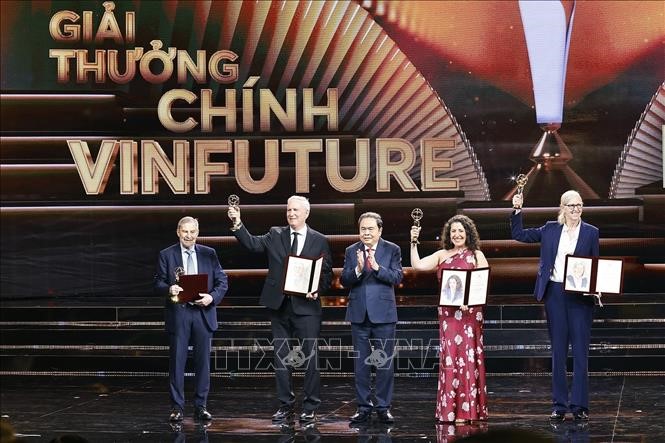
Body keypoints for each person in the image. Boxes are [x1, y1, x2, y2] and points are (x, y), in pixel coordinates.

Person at [227, 195, 333, 425]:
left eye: (296, 210)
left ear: (306, 213)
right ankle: (285, 405)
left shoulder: (319, 240)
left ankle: (310, 407)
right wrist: (237, 223)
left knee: (310, 359)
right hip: (279, 306)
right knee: (282, 359)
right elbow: (252, 244)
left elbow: (326, 274)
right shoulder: (275, 234)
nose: (291, 213)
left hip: (307, 308)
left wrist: (317, 290)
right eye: (288, 210)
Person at [511, 190, 599, 423]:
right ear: (562, 208)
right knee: (558, 352)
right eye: (571, 206)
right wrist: (517, 209)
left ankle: (579, 406)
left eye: (579, 205)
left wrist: (597, 286)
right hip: (555, 294)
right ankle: (559, 406)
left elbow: (595, 265)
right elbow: (519, 234)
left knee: (580, 353)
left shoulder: (591, 232)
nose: (575, 209)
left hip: (580, 297)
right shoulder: (550, 229)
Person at [410, 214, 489, 424]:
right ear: (448, 234)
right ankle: (451, 411)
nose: (457, 234)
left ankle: (468, 411)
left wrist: (470, 301)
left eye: (461, 230)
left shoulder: (476, 255)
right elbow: (418, 265)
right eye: (453, 231)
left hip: (469, 315)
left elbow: (482, 283)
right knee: (450, 358)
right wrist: (413, 242)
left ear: (468, 233)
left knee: (468, 359)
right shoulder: (442, 254)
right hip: (449, 316)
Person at [154, 216, 229, 422]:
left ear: (198, 232)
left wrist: (211, 297)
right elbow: (158, 282)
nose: (189, 236)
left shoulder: (209, 253)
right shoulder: (166, 254)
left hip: (203, 314)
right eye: (185, 231)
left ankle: (201, 406)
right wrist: (169, 288)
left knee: (203, 364)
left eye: (192, 231)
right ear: (178, 232)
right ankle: (177, 408)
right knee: (177, 363)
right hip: (179, 314)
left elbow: (222, 281)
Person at [341, 212, 403, 425]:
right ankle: (363, 407)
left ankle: (383, 407)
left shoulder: (392, 249)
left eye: (370, 229)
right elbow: (344, 280)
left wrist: (377, 267)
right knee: (361, 364)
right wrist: (358, 269)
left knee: (384, 364)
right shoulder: (351, 250)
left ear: (380, 230)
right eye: (363, 229)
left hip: (384, 315)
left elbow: (397, 277)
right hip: (359, 314)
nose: (366, 233)